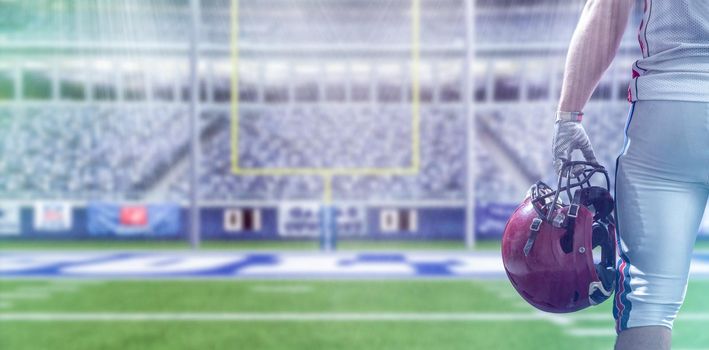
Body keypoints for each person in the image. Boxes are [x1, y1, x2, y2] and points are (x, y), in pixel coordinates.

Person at [551, 0, 709, 349]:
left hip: (669, 109)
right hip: (669, 106)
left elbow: (605, 11)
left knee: (648, 300)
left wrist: (569, 116)